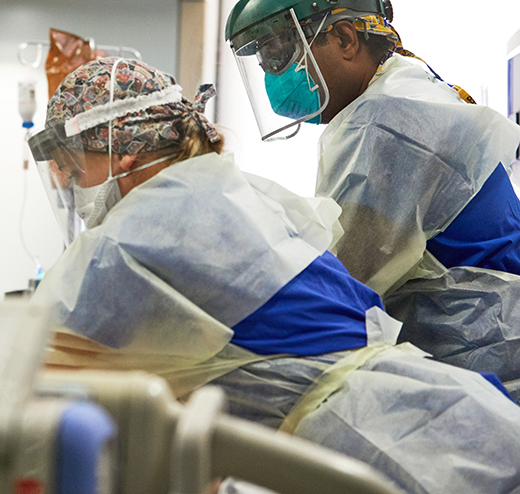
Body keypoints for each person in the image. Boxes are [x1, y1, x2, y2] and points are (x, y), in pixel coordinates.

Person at [28, 56, 520, 494]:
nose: (68, 183)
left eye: (71, 166)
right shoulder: (233, 193)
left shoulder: (131, 240)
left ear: (121, 151)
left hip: (388, 451)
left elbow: (25, 364)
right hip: (456, 414)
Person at [225, 0, 520, 396]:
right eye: (266, 62)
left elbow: (344, 282)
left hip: (481, 365)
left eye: (282, 53)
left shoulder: (386, 122)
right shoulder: (399, 96)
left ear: (345, 38)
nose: (274, 76)